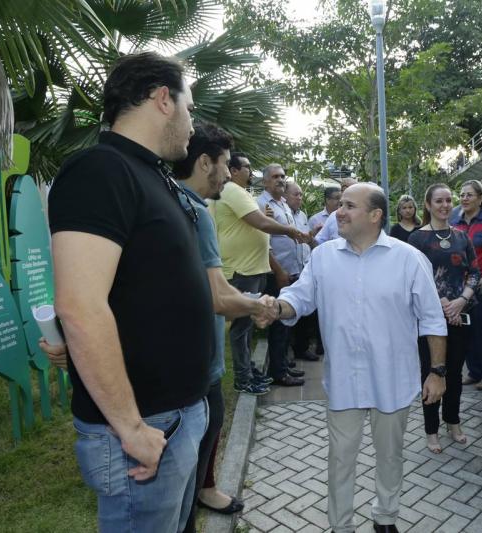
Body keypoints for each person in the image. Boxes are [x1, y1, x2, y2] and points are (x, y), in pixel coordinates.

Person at [48, 52, 211, 532]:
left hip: (176, 416)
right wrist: (131, 428)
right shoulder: (101, 170)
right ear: (163, 99)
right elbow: (79, 305)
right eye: (189, 107)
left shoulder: (151, 174)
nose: (192, 123)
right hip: (142, 429)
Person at [270, 183, 448, 533]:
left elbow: (432, 319)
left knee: (391, 455)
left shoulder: (408, 259)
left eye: (349, 206)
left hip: (392, 379)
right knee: (340, 459)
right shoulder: (324, 257)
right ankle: (341, 526)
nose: (339, 211)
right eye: (340, 204)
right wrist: (276, 307)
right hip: (344, 380)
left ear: (375, 215)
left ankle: (385, 517)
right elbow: (299, 298)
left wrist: (437, 372)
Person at [173, 122, 280, 531]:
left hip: (189, 356)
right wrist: (261, 304)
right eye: (225, 164)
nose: (230, 173)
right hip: (193, 362)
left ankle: (204, 490)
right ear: (206, 163)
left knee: (203, 433)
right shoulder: (194, 211)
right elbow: (219, 296)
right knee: (197, 441)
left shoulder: (174, 201)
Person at [215, 153, 309, 395]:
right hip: (242, 268)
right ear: (234, 171)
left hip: (252, 268)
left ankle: (249, 371)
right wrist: (290, 231)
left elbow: (253, 223)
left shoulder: (244, 194)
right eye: (246, 167)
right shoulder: (233, 191)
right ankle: (243, 378)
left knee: (246, 327)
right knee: (241, 328)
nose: (250, 171)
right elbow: (262, 224)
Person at [408, 183, 480, 453]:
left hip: (459, 316)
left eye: (449, 200)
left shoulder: (462, 237)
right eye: (439, 201)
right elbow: (412, 278)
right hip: (429, 319)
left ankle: (453, 421)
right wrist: (438, 302)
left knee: (455, 373)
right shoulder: (416, 239)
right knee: (431, 372)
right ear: (428, 204)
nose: (445, 205)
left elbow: (475, 273)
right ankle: (431, 430)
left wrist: (462, 300)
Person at [257, 164, 309, 387]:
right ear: (265, 181)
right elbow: (264, 243)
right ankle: (278, 373)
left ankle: (283, 365)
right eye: (275, 176)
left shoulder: (283, 204)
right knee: (278, 323)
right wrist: (278, 271)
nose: (280, 179)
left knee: (286, 324)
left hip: (291, 271)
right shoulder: (261, 205)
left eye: (282, 176)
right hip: (276, 272)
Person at [450, 179, 482, 390]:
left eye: (469, 195)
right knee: (466, 329)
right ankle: (473, 371)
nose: (464, 198)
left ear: (480, 198)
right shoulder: (455, 221)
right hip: (460, 286)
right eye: (462, 194)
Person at [284, 180, 320, 363]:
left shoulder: (303, 215)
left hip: (302, 269)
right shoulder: (277, 213)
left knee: (305, 316)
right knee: (286, 315)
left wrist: (312, 235)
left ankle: (301, 350)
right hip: (285, 270)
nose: (299, 197)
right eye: (295, 194)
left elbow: (304, 239)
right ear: (285, 196)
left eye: (301, 194)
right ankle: (285, 358)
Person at [313, 177, 358, 245]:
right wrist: (310, 240)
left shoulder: (366, 215)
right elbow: (319, 242)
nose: (346, 192)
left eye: (352, 189)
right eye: (343, 189)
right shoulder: (334, 216)